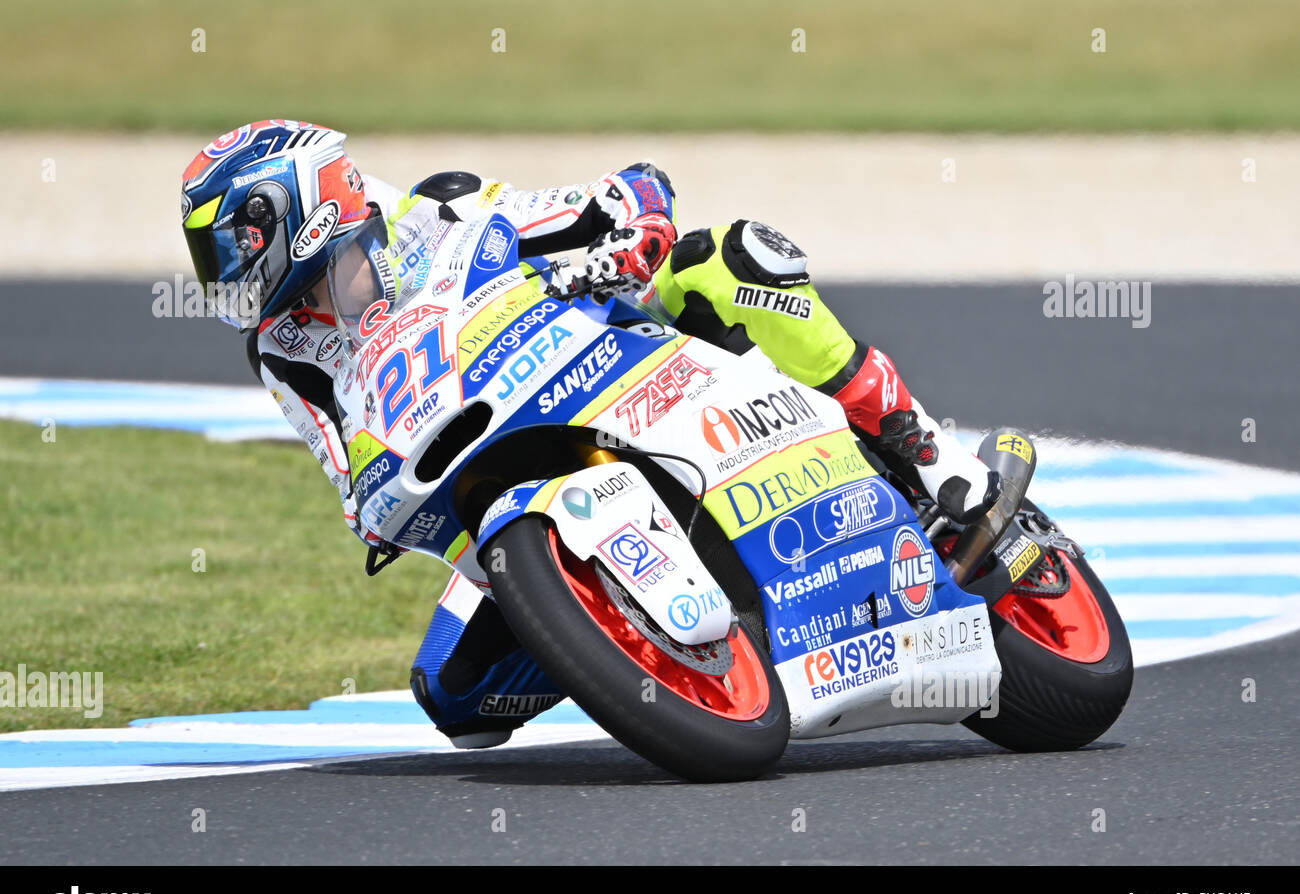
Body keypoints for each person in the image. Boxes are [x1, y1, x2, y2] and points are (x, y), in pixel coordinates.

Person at [182, 120, 1000, 748]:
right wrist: (369, 503)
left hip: (624, 364)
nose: (222, 270)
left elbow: (614, 196)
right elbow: (337, 452)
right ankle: (630, 627)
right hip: (492, 466)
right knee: (454, 695)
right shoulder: (278, 348)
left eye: (230, 244)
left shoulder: (443, 208)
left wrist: (628, 227)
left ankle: (920, 448)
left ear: (294, 207)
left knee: (726, 257)